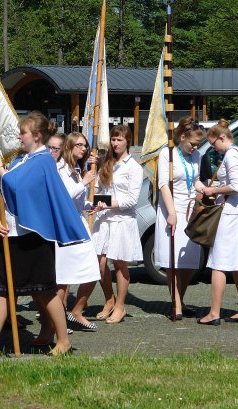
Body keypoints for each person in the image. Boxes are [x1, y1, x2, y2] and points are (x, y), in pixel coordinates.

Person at [0, 112, 90, 360]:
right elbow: (5, 192)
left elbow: (19, 186)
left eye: (23, 133)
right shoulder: (21, 160)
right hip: (9, 233)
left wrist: (0, 169)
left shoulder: (44, 160)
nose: (19, 137)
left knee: (45, 290)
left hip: (34, 235)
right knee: (0, 290)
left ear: (36, 135)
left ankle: (63, 340)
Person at [198, 119, 238, 326]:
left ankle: (214, 312)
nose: (215, 149)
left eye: (214, 144)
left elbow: (236, 186)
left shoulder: (231, 155)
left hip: (230, 213)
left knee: (218, 263)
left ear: (222, 138)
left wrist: (213, 190)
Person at [154, 117, 206, 320]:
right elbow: (163, 184)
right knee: (173, 262)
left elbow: (196, 180)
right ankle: (175, 303)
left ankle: (180, 299)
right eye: (192, 144)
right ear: (182, 137)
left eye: (197, 145)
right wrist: (172, 213)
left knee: (189, 262)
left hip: (191, 210)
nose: (195, 148)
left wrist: (207, 189)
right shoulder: (167, 154)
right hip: (171, 209)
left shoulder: (197, 156)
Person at [91, 125, 144, 324]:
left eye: (120, 139)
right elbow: (97, 188)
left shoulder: (134, 167)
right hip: (104, 219)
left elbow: (131, 200)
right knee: (100, 263)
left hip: (122, 220)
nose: (115, 143)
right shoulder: (107, 163)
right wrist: (96, 204)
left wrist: (107, 204)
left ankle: (120, 306)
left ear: (127, 141)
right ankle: (109, 299)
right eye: (113, 139)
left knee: (120, 263)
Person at [54, 132, 101, 331]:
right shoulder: (60, 169)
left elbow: (78, 202)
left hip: (78, 224)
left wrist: (91, 206)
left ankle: (76, 311)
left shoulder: (76, 169)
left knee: (91, 271)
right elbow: (62, 197)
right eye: (79, 145)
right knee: (63, 277)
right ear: (69, 146)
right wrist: (84, 182)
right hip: (66, 226)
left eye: (85, 145)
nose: (83, 149)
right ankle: (59, 317)